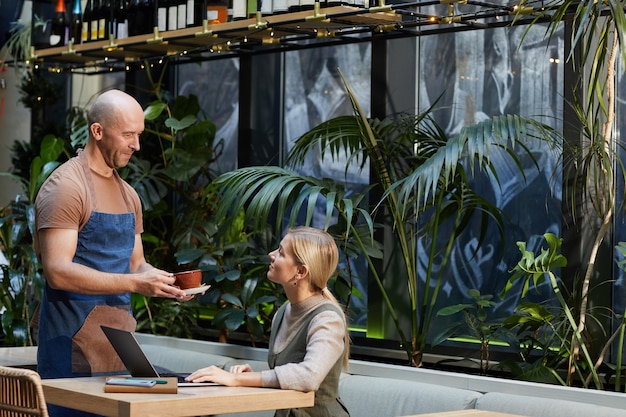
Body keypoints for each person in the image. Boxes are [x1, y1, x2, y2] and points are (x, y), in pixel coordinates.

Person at [34, 89, 191, 417]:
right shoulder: (67, 187)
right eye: (128, 134)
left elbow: (136, 265)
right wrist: (135, 285)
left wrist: (164, 282)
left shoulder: (129, 195)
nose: (136, 145)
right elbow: (58, 270)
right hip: (72, 344)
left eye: (139, 135)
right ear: (97, 131)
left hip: (120, 346)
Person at [186, 226, 350, 417]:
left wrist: (237, 379)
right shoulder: (283, 312)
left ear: (301, 271)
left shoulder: (327, 318)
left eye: (281, 252)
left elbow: (308, 377)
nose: (271, 255)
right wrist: (251, 376)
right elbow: (291, 376)